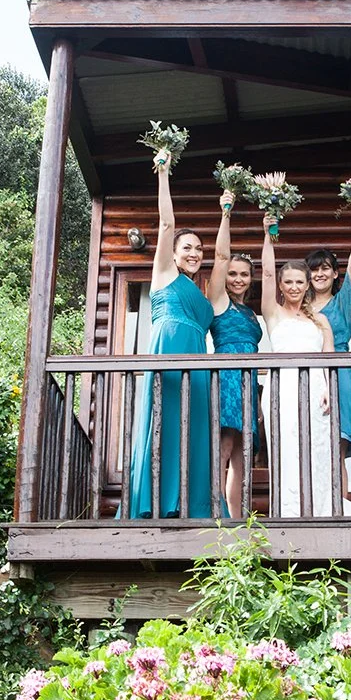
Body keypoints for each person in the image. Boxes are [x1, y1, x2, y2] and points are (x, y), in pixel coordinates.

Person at [125, 146, 214, 519]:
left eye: (198, 249)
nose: (194, 253)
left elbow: (221, 259)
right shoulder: (165, 274)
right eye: (187, 247)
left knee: (192, 426)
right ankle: (155, 501)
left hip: (196, 353)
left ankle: (190, 503)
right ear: (174, 253)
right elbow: (165, 224)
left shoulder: (201, 291)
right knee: (164, 417)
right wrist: (163, 174)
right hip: (169, 348)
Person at [260, 214, 335, 517]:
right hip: (283, 387)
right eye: (287, 282)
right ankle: (289, 509)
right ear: (280, 284)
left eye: (299, 282)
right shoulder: (273, 312)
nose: (293, 287)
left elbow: (329, 358)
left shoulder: (321, 320)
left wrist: (328, 388)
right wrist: (268, 235)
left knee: (316, 447)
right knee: (286, 446)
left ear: (307, 286)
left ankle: (319, 507)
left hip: (316, 386)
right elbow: (265, 273)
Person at [305, 195, 351, 499]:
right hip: (306, 374)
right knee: (309, 446)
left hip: (339, 373)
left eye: (325, 269)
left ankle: (339, 508)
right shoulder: (298, 305)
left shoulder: (344, 303)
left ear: (334, 273)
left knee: (335, 445)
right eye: (314, 270)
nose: (319, 274)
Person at [206, 187, 262, 518]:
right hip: (227, 373)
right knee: (224, 446)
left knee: (245, 451)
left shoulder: (251, 313)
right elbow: (222, 257)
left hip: (248, 380)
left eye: (244, 275)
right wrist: (226, 212)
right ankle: (214, 513)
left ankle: (238, 517)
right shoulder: (219, 300)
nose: (238, 279)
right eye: (233, 274)